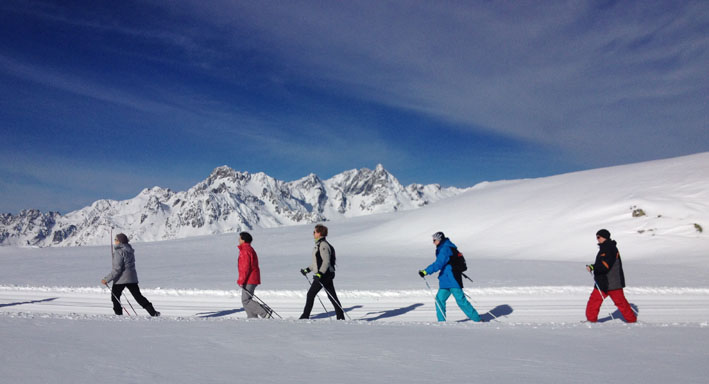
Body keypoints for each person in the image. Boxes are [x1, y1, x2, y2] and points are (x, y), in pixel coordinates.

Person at [418, 232, 480, 322]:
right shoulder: (442, 248)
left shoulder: (445, 249)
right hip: (445, 279)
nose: (433, 242)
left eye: (434, 240)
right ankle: (441, 322)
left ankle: (477, 319)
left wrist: (425, 271)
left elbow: (439, 263)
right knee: (439, 300)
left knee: (461, 301)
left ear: (439, 239)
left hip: (452, 278)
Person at [585, 229, 637, 323]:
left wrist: (593, 267)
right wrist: (594, 267)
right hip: (602, 281)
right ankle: (591, 321)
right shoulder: (604, 248)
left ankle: (632, 321)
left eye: (598, 237)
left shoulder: (610, 248)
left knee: (621, 303)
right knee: (594, 301)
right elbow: (602, 264)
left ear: (604, 237)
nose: (597, 239)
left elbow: (605, 265)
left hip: (613, 282)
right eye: (596, 237)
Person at [101, 233, 159, 316]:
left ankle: (118, 315)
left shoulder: (119, 252)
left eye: (116, 240)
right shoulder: (130, 250)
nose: (114, 241)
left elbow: (117, 269)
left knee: (115, 298)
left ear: (120, 241)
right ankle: (153, 312)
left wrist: (106, 279)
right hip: (132, 278)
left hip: (121, 279)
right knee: (138, 297)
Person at [299, 224, 345, 320]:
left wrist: (320, 274)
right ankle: (340, 317)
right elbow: (317, 263)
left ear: (319, 233)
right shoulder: (320, 244)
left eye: (314, 232)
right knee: (332, 296)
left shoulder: (323, 245)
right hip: (326, 274)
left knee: (310, 294)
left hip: (324, 275)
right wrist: (307, 270)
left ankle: (305, 316)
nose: (313, 234)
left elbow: (326, 261)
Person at [237, 231, 270, 318]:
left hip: (249, 279)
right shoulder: (248, 249)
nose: (238, 240)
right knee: (247, 300)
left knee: (245, 300)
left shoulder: (245, 251)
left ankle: (264, 311)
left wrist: (241, 280)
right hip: (251, 278)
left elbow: (245, 267)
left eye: (240, 238)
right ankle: (252, 319)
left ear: (243, 240)